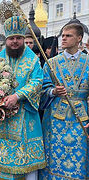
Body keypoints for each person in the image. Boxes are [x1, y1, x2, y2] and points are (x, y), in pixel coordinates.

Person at [0, 16, 46, 180]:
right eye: (11, 38)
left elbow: (37, 82)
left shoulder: (32, 60)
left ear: (23, 38)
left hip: (24, 116)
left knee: (25, 162)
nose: (15, 42)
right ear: (6, 39)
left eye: (18, 38)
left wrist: (18, 96)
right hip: (1, 118)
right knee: (2, 160)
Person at [39, 23, 89, 179]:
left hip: (81, 118)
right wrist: (53, 91)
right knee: (54, 157)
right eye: (63, 35)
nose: (64, 38)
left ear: (79, 38)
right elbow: (42, 90)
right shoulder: (51, 63)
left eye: (69, 35)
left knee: (79, 156)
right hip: (55, 118)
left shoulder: (88, 62)